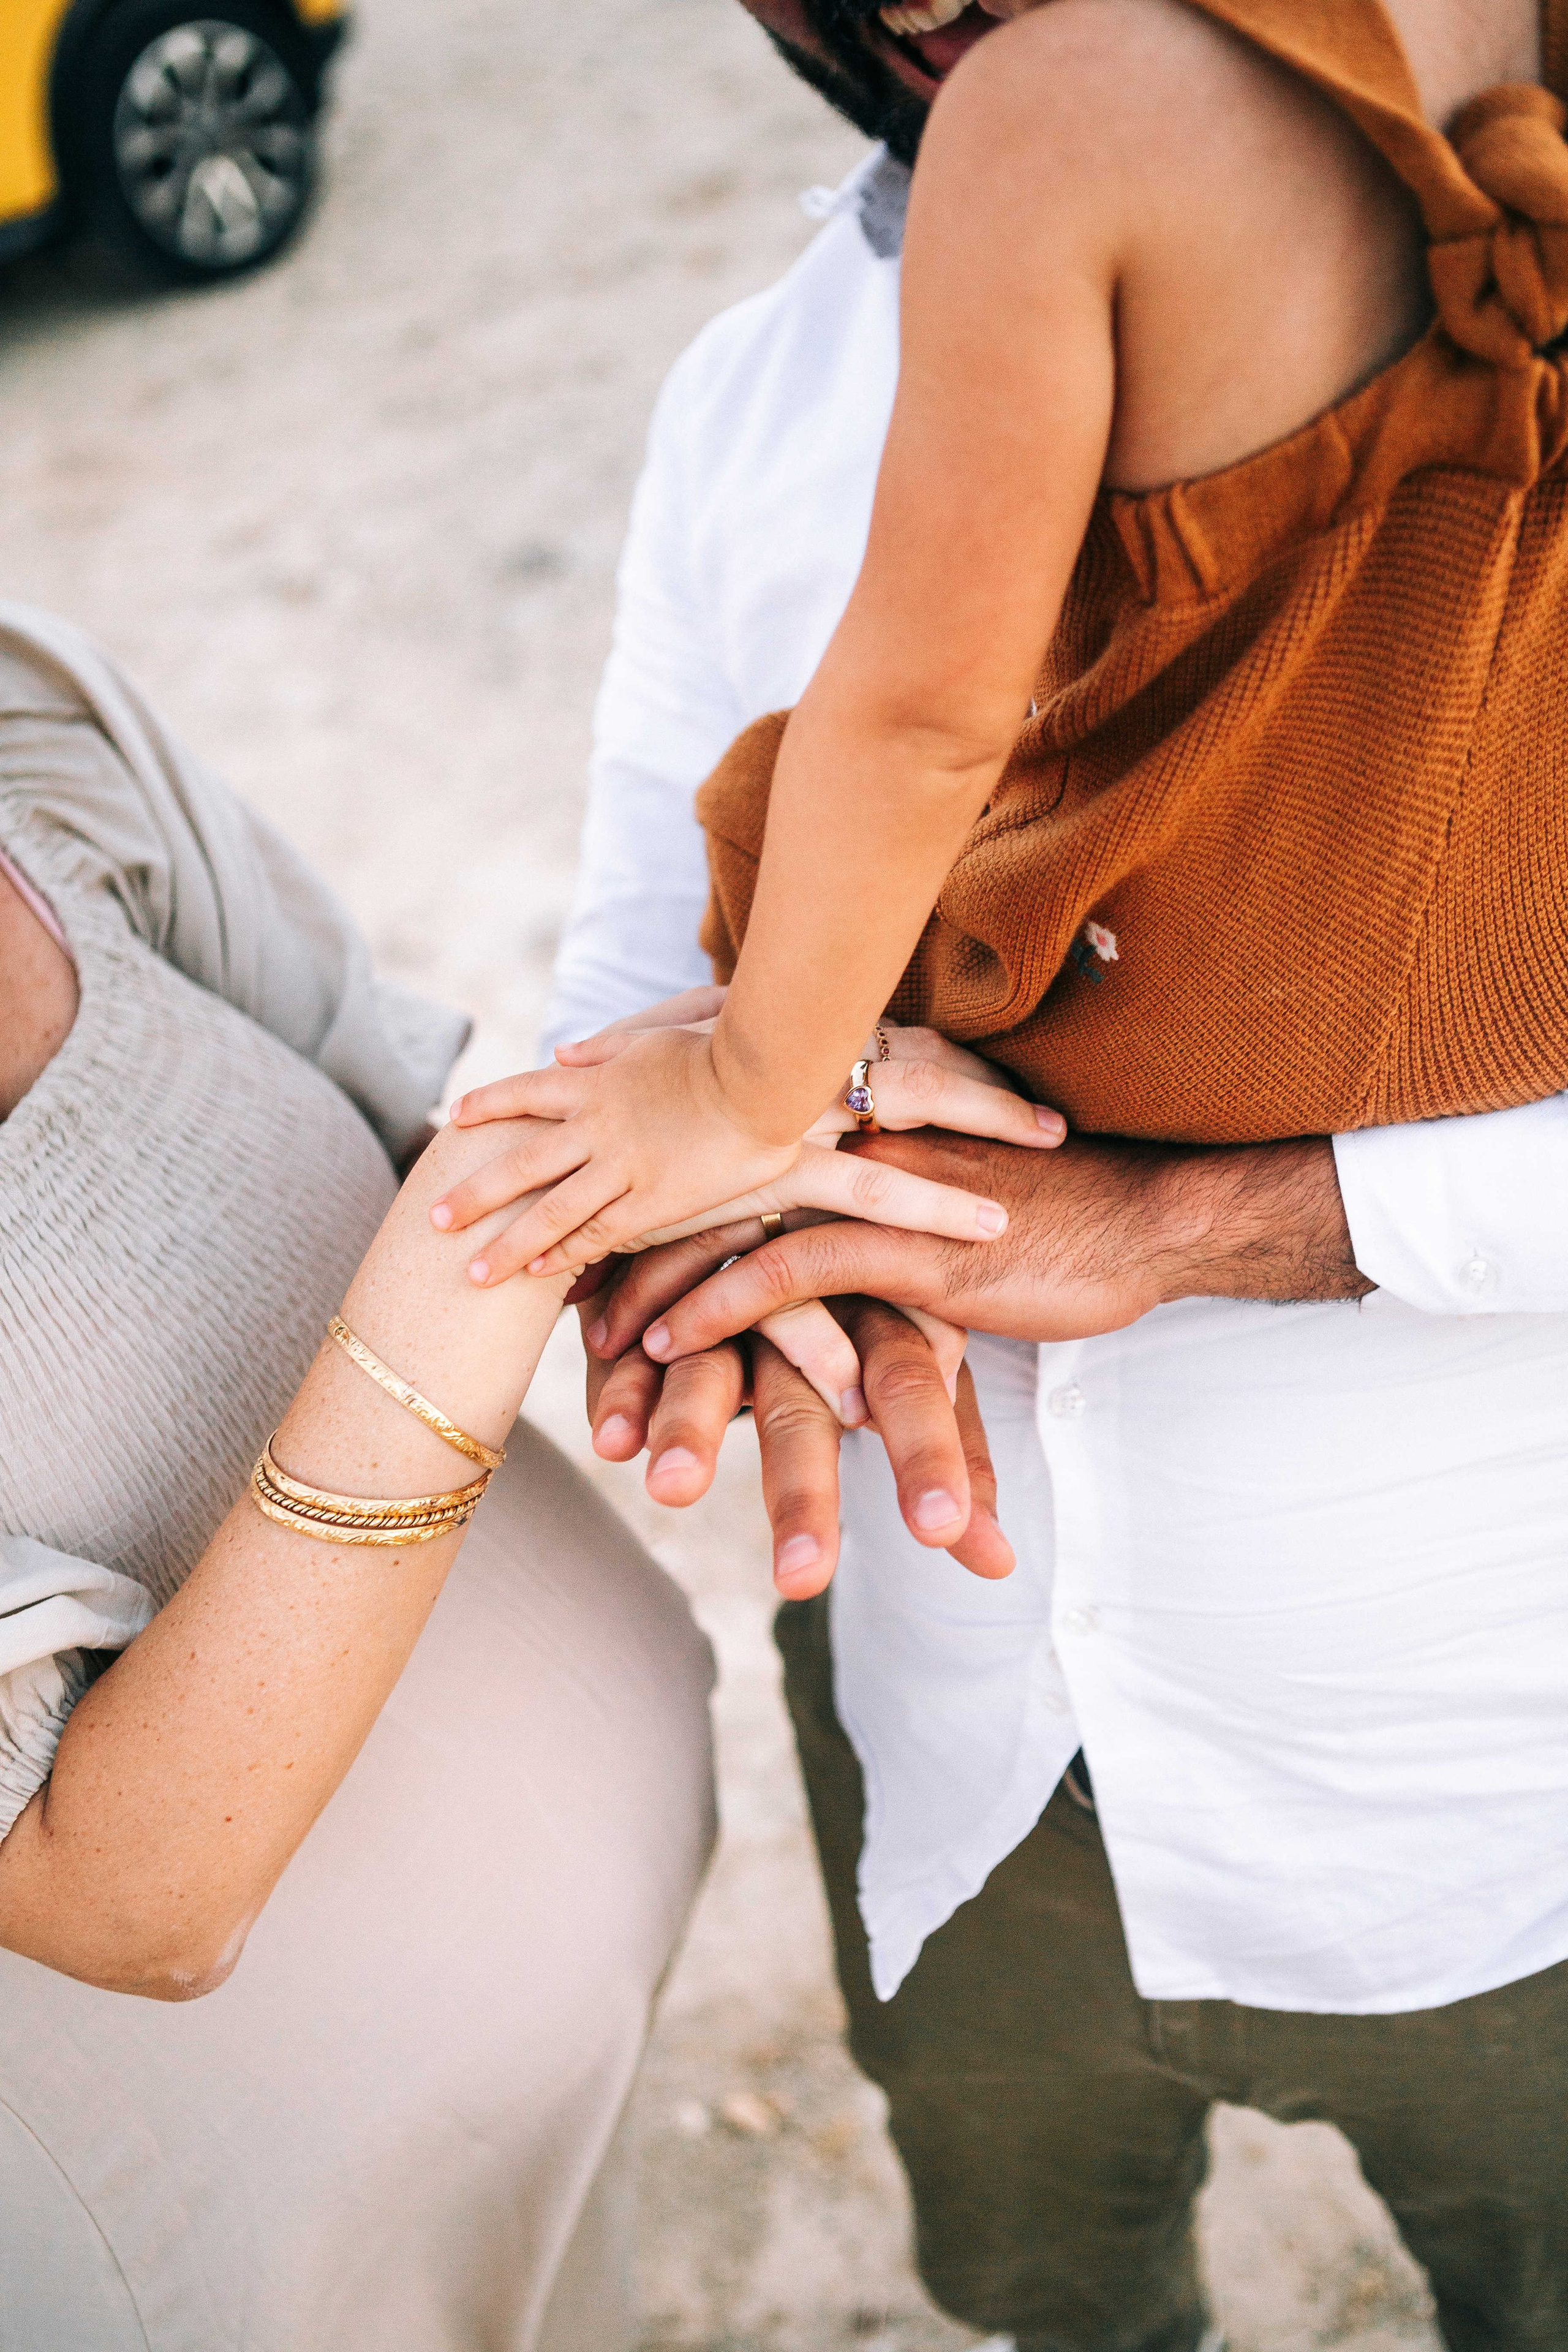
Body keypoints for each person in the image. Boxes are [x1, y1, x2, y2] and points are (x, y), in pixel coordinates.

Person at [528, 2, 1568, 2346]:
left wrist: (1198, 1221)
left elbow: (900, 736)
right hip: (954, 1725)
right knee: (1056, 2298)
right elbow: (626, 960)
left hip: (1499, 1791)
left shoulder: (1193, 186)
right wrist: (731, 1241)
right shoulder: (741, 401)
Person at [0, 604, 718, 2352]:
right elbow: (135, 1896)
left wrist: (720, 1212)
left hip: (569, 2063)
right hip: (238, 2262)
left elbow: (380, 1092)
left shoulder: (24, 719)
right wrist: (553, 1196)